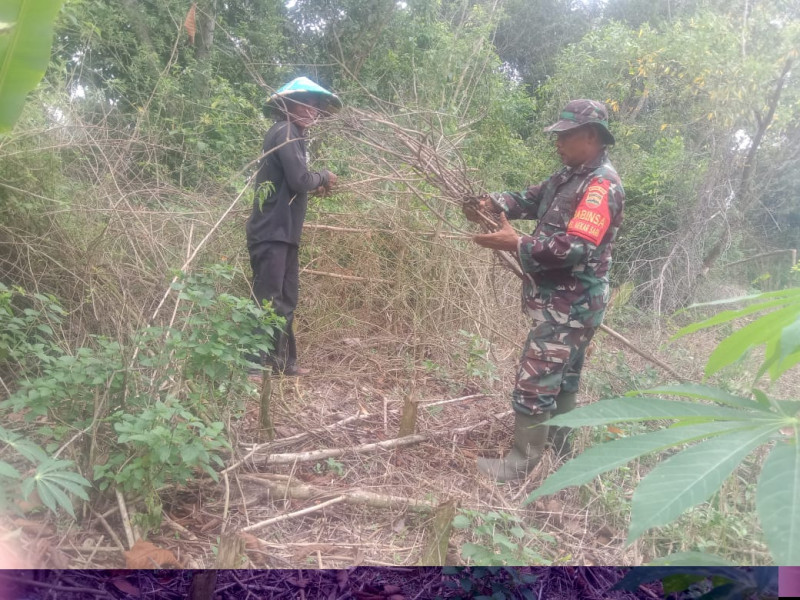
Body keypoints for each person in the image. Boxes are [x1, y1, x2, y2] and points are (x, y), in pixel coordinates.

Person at [463, 99, 625, 482]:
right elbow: (529, 199)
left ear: (591, 136)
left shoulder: (601, 186)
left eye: (565, 136)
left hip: (571, 305)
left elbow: (576, 247)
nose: (558, 143)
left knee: (535, 380)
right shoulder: (569, 176)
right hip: (567, 304)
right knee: (564, 378)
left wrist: (516, 244)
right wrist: (491, 203)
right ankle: (561, 453)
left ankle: (522, 463)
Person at [246, 77, 340, 377]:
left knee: (286, 298)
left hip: (284, 234)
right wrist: (322, 177)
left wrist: (316, 180)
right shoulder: (285, 131)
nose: (313, 111)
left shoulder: (295, 137)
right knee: (268, 297)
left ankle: (284, 362)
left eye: (316, 106)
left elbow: (299, 179)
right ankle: (253, 363)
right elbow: (301, 179)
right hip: (271, 231)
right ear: (288, 105)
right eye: (307, 104)